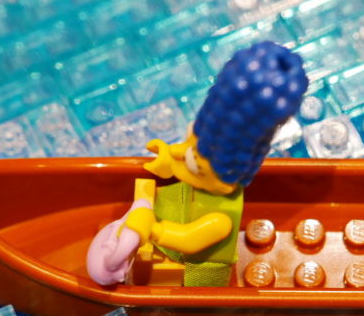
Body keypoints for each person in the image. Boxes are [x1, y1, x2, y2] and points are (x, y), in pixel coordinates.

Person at [86, 41, 309, 287]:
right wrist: (170, 159)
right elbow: (192, 154)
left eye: (193, 163)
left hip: (194, 268)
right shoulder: (209, 166)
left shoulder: (220, 219)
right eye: (189, 144)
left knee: (183, 281)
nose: (183, 157)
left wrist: (152, 230)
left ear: (223, 181)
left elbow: (189, 240)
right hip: (168, 212)